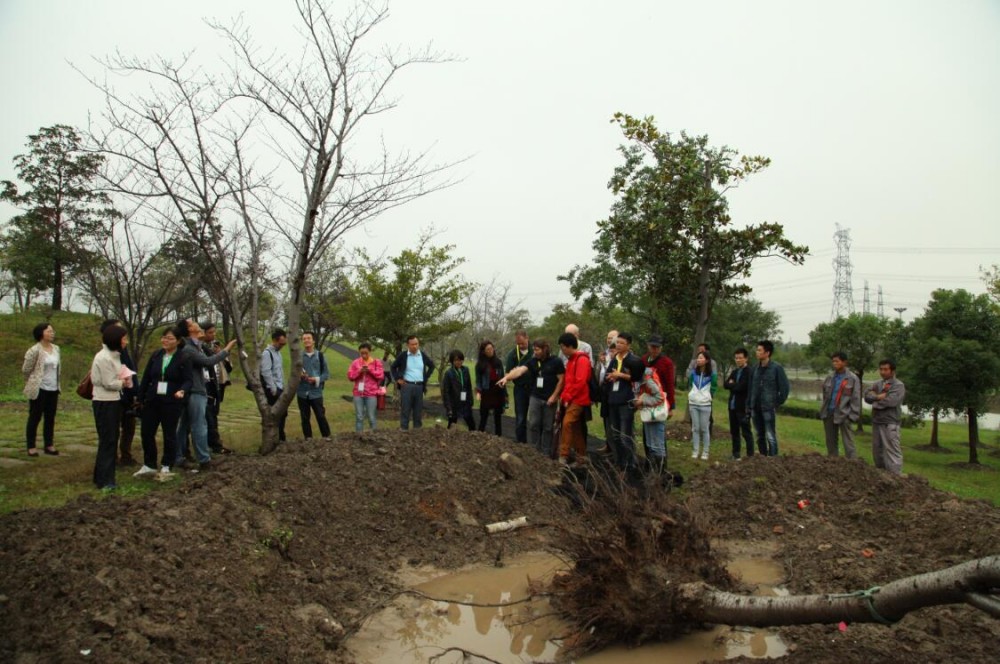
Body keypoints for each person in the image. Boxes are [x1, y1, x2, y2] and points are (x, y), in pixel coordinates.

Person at [176, 320, 237, 469]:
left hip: (194, 389)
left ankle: (178, 457)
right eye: (192, 322)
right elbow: (209, 362)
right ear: (190, 329)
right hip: (195, 391)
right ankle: (204, 460)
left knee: (183, 426)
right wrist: (227, 349)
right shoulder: (189, 349)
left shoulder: (196, 345)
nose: (196, 323)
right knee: (199, 425)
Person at [134, 328, 191, 479]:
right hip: (153, 399)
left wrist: (182, 391)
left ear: (178, 341)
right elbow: (146, 377)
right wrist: (140, 397)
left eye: (170, 338)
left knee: (169, 433)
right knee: (147, 432)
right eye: (164, 338)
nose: (166, 341)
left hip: (172, 401)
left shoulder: (184, 357)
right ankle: (149, 464)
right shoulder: (156, 355)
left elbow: (188, 380)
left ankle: (167, 464)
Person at [498, 339, 565, 457]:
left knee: (548, 427)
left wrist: (554, 396)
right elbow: (519, 370)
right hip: (535, 397)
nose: (535, 352)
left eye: (537, 350)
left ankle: (545, 453)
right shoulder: (533, 361)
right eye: (534, 349)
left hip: (550, 399)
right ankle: (534, 451)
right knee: (534, 424)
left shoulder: (556, 361)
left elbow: (561, 380)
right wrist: (506, 378)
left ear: (545, 349)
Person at [90, 325, 132, 490]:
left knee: (109, 440)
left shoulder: (114, 355)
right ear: (116, 340)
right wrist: (124, 382)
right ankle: (105, 480)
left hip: (112, 400)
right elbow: (109, 383)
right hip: (105, 401)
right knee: (108, 441)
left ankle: (101, 476)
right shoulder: (104, 357)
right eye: (124, 339)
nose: (126, 342)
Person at [603, 332, 645, 470]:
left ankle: (630, 463)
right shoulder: (615, 359)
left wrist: (620, 375)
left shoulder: (634, 361)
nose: (619, 345)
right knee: (615, 434)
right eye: (618, 342)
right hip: (613, 399)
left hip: (626, 400)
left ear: (628, 345)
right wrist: (611, 377)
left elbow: (638, 379)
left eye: (622, 343)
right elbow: (609, 374)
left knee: (625, 434)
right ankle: (619, 461)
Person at [100, 319, 139, 466]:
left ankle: (126, 455)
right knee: (113, 428)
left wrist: (135, 389)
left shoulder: (123, 350)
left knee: (129, 426)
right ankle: (112, 457)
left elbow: (130, 368)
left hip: (127, 393)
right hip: (114, 394)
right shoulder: (106, 354)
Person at [22, 322, 61, 457]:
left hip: (53, 388)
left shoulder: (56, 348)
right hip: (40, 388)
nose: (52, 333)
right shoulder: (34, 350)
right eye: (49, 331)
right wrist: (32, 381)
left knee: (50, 417)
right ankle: (31, 446)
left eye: (52, 331)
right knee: (35, 417)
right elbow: (26, 369)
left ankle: (49, 444)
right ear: (41, 333)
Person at [747, 340, 790, 456]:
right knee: (759, 435)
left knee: (770, 435)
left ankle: (773, 459)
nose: (757, 352)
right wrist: (749, 405)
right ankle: (762, 457)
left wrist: (775, 402)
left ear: (767, 353)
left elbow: (785, 389)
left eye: (759, 350)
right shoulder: (755, 368)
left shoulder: (776, 368)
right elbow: (750, 388)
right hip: (755, 407)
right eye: (757, 350)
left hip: (768, 407)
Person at [864, 359, 907, 475]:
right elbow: (866, 395)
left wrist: (875, 400)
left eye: (885, 369)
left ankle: (895, 476)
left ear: (892, 371)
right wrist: (878, 397)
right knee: (877, 450)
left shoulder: (898, 385)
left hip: (890, 423)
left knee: (892, 450)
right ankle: (881, 475)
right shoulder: (877, 384)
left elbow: (891, 402)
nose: (882, 372)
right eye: (881, 369)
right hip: (877, 421)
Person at [557, 332, 592, 466]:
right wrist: (565, 396)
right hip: (571, 398)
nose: (562, 350)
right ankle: (581, 457)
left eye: (563, 347)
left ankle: (563, 455)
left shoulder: (581, 360)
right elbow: (569, 381)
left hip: (579, 399)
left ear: (570, 346)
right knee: (576, 428)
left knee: (567, 423)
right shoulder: (571, 360)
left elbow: (580, 382)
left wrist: (568, 397)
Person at [819, 351, 862, 459]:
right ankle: (833, 463)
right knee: (830, 441)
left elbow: (856, 398)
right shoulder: (830, 377)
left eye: (837, 361)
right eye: (833, 361)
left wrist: (852, 416)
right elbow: (825, 394)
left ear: (844, 362)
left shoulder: (852, 378)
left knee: (848, 442)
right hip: (829, 412)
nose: (834, 364)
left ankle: (852, 465)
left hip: (844, 414)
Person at [391, 335, 435, 430]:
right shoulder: (403, 356)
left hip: (419, 386)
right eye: (412, 344)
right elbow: (393, 367)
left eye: (416, 344)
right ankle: (404, 429)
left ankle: (417, 430)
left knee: (418, 410)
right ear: (408, 345)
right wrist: (398, 379)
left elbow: (432, 366)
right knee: (405, 409)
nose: (415, 346)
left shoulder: (422, 355)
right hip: (407, 385)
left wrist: (425, 377)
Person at [202, 322, 234, 455]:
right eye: (210, 332)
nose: (213, 335)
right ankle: (214, 444)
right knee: (208, 416)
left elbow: (228, 368)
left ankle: (214, 442)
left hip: (218, 385)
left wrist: (221, 353)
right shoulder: (201, 348)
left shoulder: (215, 347)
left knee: (214, 414)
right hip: (206, 386)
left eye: (214, 332)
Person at [296, 331, 332, 438]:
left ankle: (327, 438)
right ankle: (308, 440)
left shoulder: (320, 356)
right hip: (302, 392)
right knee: (304, 418)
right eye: (304, 338)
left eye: (309, 338)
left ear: (313, 341)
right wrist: (300, 376)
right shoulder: (298, 357)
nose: (306, 340)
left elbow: (326, 374)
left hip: (316, 393)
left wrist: (316, 379)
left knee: (320, 416)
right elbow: (294, 374)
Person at [634, 367, 668, 472]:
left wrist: (643, 400)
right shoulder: (641, 380)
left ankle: (660, 474)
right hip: (649, 415)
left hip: (656, 416)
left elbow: (660, 398)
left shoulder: (649, 381)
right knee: (650, 444)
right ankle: (653, 472)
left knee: (657, 446)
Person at [724, 348, 754, 459]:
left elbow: (742, 387)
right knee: (734, 431)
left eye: (740, 358)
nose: (738, 360)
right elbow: (725, 384)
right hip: (732, 406)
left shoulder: (749, 372)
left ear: (746, 358)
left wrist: (733, 384)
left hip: (742, 407)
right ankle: (735, 454)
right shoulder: (735, 371)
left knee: (746, 432)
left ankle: (750, 456)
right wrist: (733, 384)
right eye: (736, 358)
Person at [259, 328, 289, 442]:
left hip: (281, 388)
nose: (282, 346)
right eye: (281, 343)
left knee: (283, 414)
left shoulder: (278, 354)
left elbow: (279, 371)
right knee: (276, 415)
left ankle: (281, 436)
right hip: (273, 390)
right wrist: (273, 389)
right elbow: (266, 372)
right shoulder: (267, 354)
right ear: (275, 341)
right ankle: (276, 438)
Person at [347, 342, 384, 432]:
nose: (364, 355)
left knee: (371, 416)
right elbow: (350, 376)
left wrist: (370, 370)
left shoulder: (376, 362)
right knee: (359, 416)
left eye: (366, 353)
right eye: (361, 353)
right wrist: (359, 371)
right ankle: (359, 436)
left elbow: (381, 375)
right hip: (358, 393)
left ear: (370, 352)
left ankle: (374, 435)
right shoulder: (355, 362)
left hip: (371, 393)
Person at [504, 330, 532, 443]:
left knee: (536, 419)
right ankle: (521, 442)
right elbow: (508, 374)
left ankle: (537, 444)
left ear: (527, 338)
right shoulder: (512, 354)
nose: (520, 346)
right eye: (518, 343)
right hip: (520, 389)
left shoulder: (535, 351)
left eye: (522, 343)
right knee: (520, 417)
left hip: (534, 389)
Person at [688, 351, 717, 461]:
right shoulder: (693, 373)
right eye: (697, 358)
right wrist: (693, 395)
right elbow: (690, 384)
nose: (698, 360)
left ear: (707, 360)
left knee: (704, 429)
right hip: (693, 404)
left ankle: (705, 452)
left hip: (705, 405)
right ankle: (695, 451)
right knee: (695, 428)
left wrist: (708, 397)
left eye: (701, 358)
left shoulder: (712, 375)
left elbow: (714, 388)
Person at [475, 340, 507, 436]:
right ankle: (480, 435)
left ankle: (498, 437)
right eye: (488, 349)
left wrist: (505, 394)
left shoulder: (498, 362)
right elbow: (478, 380)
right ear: (483, 351)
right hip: (487, 390)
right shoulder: (480, 365)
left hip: (498, 390)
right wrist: (479, 392)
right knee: (484, 415)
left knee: (498, 416)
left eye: (492, 348)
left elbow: (503, 377)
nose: (491, 351)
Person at [441, 349, 475, 430]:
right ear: (452, 361)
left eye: (460, 360)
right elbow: (446, 391)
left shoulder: (466, 370)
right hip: (454, 404)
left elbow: (469, 386)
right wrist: (448, 407)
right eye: (456, 360)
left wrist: (470, 400)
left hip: (465, 402)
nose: (459, 362)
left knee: (471, 424)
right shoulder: (449, 373)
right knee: (452, 424)